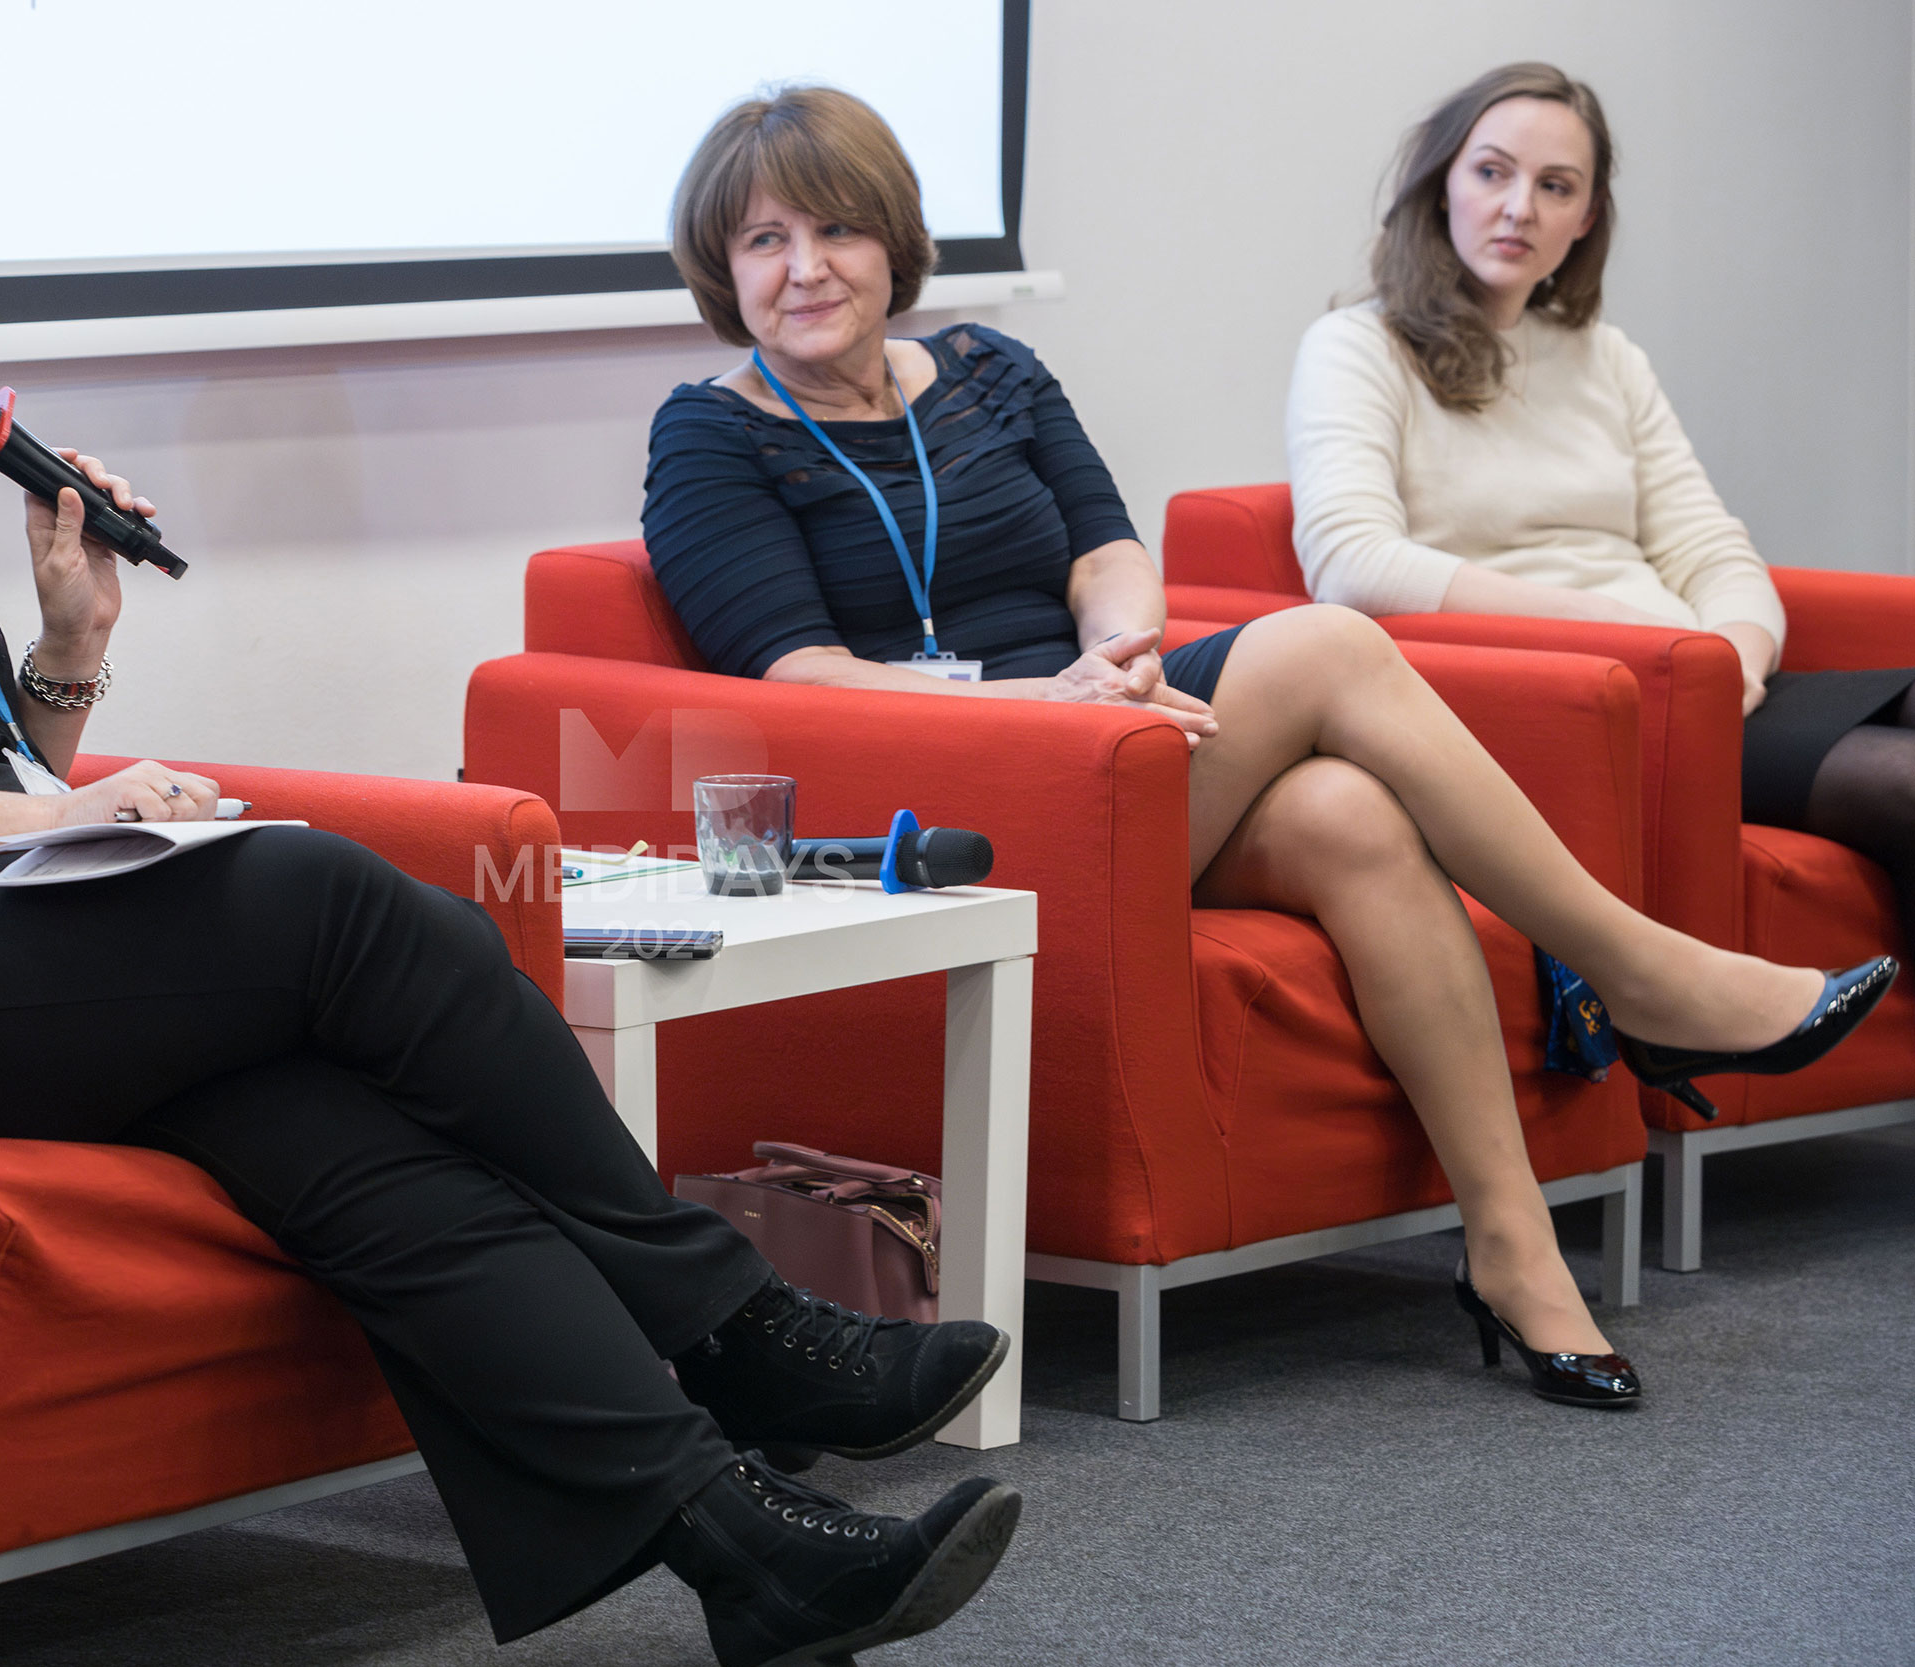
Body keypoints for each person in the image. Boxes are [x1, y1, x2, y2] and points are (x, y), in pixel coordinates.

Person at [0, 116, 1023, 1667]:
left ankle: (748, 1552)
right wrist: (62, 811)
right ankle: (736, 1323)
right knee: (324, 896)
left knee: (345, 1139)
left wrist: (68, 646)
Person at [642, 86, 1893, 1410]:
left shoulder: (989, 371)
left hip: (1107, 732)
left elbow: (1108, 549)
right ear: (724, 266)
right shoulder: (709, 434)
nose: (806, 268)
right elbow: (805, 674)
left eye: (836, 230)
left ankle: (1513, 1242)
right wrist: (1049, 706)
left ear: (892, 241)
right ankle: (1641, 973)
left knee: (1351, 813)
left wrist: (1119, 656)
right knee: (1329, 641)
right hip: (940, 803)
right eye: (766, 240)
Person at [1286, 61, 1915, 947]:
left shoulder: (1606, 356)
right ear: (1441, 184)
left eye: (1556, 187)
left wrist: (1735, 656)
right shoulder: (1356, 347)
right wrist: (1631, 633)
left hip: (1698, 683)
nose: (1519, 209)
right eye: (1492, 172)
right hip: (1571, 703)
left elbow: (1710, 548)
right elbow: (1352, 564)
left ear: (1586, 217)